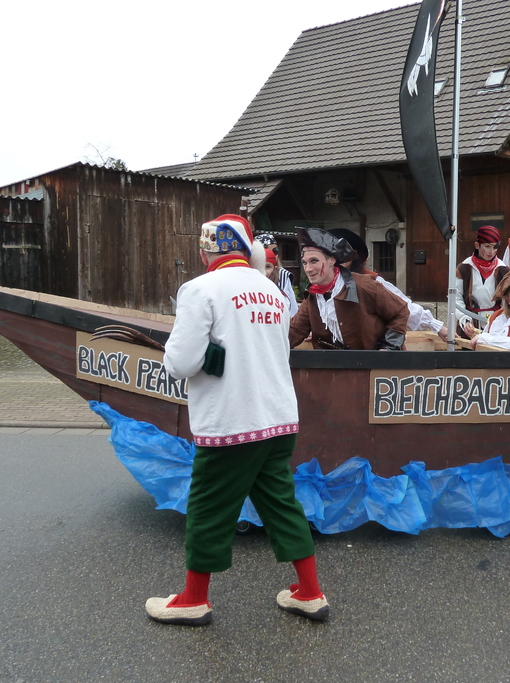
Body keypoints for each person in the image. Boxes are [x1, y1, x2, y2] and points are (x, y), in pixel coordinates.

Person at [151, 213, 328, 625]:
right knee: (281, 504)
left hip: (231, 421)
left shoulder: (199, 289)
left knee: (208, 507)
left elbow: (180, 364)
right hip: (278, 418)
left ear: (204, 253)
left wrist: (202, 355)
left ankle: (193, 599)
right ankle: (309, 591)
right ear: (248, 251)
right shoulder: (272, 291)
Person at [289, 227, 409, 350]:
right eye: (305, 262)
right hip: (336, 361)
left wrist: (388, 348)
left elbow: (400, 311)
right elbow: (296, 330)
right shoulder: (313, 296)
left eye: (314, 261)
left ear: (332, 260)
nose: (308, 269)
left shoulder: (364, 286)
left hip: (372, 360)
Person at [328, 228, 448, 341]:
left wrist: (436, 326)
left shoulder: (371, 281)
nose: (335, 261)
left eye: (341, 254)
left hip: (369, 347)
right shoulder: (321, 283)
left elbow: (402, 306)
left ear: (352, 256)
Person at [264, 247, 299, 318]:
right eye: (260, 266)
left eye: (268, 267)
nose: (264, 271)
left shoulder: (283, 277)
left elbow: (291, 307)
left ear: (275, 268)